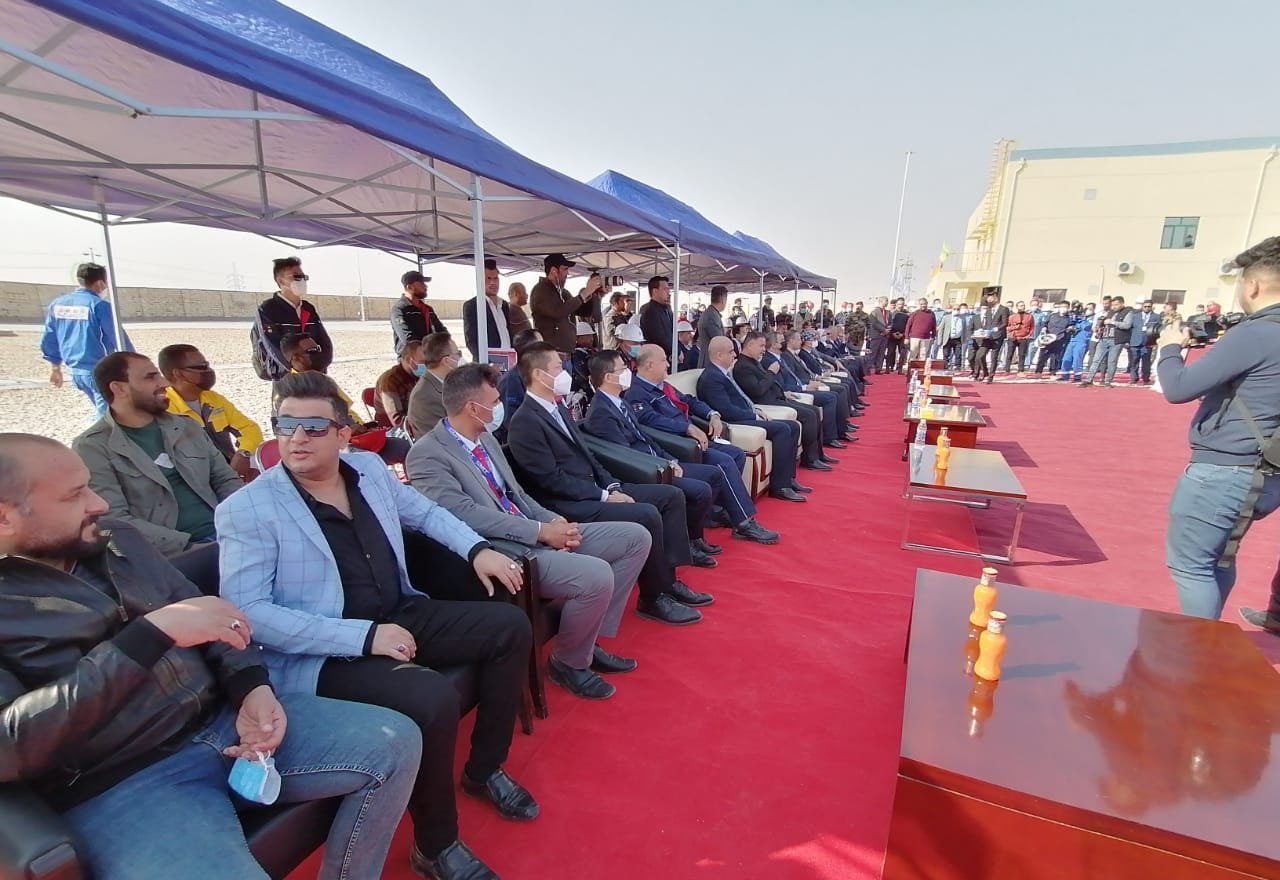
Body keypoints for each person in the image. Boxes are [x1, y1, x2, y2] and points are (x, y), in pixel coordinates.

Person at [0, 434, 421, 880]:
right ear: (5, 517)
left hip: (225, 724)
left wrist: (251, 688)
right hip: (124, 782)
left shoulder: (117, 539)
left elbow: (213, 618)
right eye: (74, 495)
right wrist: (148, 637)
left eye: (89, 485)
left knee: (395, 741)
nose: (99, 503)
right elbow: (9, 747)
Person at [216, 371, 535, 880]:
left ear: (344, 434)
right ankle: (436, 845)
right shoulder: (247, 509)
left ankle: (483, 769)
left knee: (510, 628)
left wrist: (477, 549)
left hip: (399, 612)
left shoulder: (367, 469)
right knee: (431, 698)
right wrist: (363, 637)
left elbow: (425, 513)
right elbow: (248, 612)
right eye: (285, 425)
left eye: (313, 427)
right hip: (324, 650)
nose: (296, 438)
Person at [405, 363, 651, 700]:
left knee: (635, 538)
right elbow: (464, 515)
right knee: (596, 575)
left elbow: (517, 496)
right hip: (503, 552)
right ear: (472, 408)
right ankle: (569, 663)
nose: (499, 408)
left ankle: (585, 638)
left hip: (533, 531)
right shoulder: (426, 455)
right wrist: (539, 532)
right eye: (494, 402)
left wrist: (554, 522)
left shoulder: (485, 439)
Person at [505, 342, 711, 625]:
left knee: (670, 496)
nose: (565, 372)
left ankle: (668, 579)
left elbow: (589, 457)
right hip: (570, 503)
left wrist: (612, 486)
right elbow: (551, 480)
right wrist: (603, 496)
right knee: (646, 514)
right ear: (540, 375)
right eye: (558, 367)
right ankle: (652, 597)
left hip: (596, 489)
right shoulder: (525, 421)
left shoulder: (557, 408)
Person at [1156, 237, 1280, 624]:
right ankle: (1208, 642)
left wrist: (1170, 348)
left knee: (1191, 566)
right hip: (1266, 470)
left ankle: (1197, 649)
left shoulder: (1256, 333)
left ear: (1252, 286)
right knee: (1220, 558)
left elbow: (1178, 388)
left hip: (1225, 470)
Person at [73, 352, 243, 556]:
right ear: (119, 388)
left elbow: (225, 480)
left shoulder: (186, 426)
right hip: (169, 556)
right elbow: (114, 521)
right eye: (151, 377)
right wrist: (191, 548)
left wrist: (242, 521)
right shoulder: (93, 447)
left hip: (228, 534)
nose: (165, 383)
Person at [582, 351, 724, 567]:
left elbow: (645, 438)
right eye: (623, 369)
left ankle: (695, 536)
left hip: (657, 462)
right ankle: (686, 546)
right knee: (699, 490)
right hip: (645, 472)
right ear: (609, 377)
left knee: (713, 474)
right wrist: (663, 466)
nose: (628, 373)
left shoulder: (619, 402)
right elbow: (624, 457)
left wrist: (670, 460)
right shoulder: (601, 411)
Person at [625, 344, 780, 542]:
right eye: (664, 360)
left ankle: (716, 511)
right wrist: (687, 428)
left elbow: (689, 400)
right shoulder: (637, 392)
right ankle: (743, 522)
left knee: (736, 454)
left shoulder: (663, 385)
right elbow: (650, 421)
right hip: (675, 444)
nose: (668, 364)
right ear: (649, 365)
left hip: (692, 437)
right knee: (723, 462)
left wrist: (712, 414)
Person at [696, 337, 807, 502]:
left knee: (793, 426)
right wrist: (753, 415)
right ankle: (780, 486)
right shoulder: (712, 377)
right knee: (783, 429)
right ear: (719, 355)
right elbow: (727, 411)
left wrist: (756, 410)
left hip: (743, 414)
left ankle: (788, 478)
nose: (735, 355)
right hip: (732, 421)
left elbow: (740, 399)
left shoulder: (722, 373)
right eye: (731, 352)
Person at [280, 335, 413, 466]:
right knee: (368, 461)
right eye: (313, 351)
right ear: (296, 358)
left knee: (410, 449)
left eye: (318, 348)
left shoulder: (323, 380)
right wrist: (343, 430)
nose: (320, 354)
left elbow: (345, 412)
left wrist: (361, 428)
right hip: (338, 445)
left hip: (360, 436)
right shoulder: (292, 391)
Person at [158, 344, 262, 481]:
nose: (209, 371)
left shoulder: (213, 399)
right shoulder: (164, 408)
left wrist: (244, 453)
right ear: (179, 374)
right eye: (202, 367)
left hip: (228, 472)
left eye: (207, 365)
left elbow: (250, 429)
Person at [40, 262, 131, 417]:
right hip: (98, 371)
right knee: (109, 417)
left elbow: (50, 338)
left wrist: (55, 368)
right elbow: (119, 338)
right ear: (100, 283)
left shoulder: (58, 305)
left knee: (105, 412)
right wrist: (134, 366)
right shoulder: (99, 305)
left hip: (75, 372)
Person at [733, 331, 832, 471]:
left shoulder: (753, 361)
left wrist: (783, 392)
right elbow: (758, 390)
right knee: (809, 415)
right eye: (761, 346)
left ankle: (817, 455)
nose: (763, 349)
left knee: (814, 411)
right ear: (750, 345)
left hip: (776, 397)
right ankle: (810, 458)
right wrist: (771, 372)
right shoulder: (743, 366)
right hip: (767, 402)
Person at [253, 257, 332, 380]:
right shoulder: (268, 309)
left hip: (316, 374)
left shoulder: (308, 308)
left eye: (304, 277)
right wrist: (296, 372)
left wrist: (321, 366)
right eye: (296, 277)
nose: (302, 281)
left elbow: (324, 341)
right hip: (286, 377)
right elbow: (272, 346)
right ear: (281, 280)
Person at [530, 254, 600, 352]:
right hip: (550, 352)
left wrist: (591, 293)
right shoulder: (541, 290)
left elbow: (583, 312)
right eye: (565, 269)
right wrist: (584, 294)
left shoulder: (563, 292)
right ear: (554, 270)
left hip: (564, 353)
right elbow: (557, 311)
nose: (568, 273)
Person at [405, 332, 460, 439]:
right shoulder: (424, 397)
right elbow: (443, 438)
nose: (459, 358)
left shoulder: (444, 383)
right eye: (458, 354)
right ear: (447, 361)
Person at [462, 259, 513, 361]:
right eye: (488, 279)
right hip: (487, 364)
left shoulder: (504, 305)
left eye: (495, 278)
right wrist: (487, 363)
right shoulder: (472, 306)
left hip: (508, 361)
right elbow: (471, 341)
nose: (492, 283)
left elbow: (508, 332)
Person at [1082, 296, 1134, 388]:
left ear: (1122, 304)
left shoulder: (1128, 312)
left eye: (1116, 305)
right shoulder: (1110, 312)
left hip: (1116, 340)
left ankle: (1108, 381)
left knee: (1112, 361)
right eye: (1113, 305)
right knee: (1096, 360)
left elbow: (1127, 325)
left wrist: (1113, 322)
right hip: (1104, 338)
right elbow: (1104, 323)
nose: (1114, 307)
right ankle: (1089, 380)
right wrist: (1099, 327)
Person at [391, 270, 446, 355]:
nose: (425, 286)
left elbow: (441, 330)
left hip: (429, 355)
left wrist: (447, 346)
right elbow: (408, 338)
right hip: (411, 359)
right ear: (409, 287)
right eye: (421, 283)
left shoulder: (428, 309)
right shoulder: (399, 309)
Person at [373, 339, 425, 431]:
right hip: (391, 430)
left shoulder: (418, 376)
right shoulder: (389, 381)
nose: (427, 366)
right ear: (409, 360)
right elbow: (397, 420)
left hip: (417, 423)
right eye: (423, 362)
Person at [638, 275, 675, 356]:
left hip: (669, 355)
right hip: (656, 356)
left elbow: (673, 332)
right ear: (655, 291)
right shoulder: (650, 312)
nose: (668, 292)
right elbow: (660, 339)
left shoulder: (667, 309)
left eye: (668, 289)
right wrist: (676, 352)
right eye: (665, 289)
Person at [1033, 302, 1073, 377]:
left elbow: (1070, 328)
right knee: (1043, 355)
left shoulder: (1069, 318)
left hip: (1059, 339)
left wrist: (1069, 329)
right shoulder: (1052, 316)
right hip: (1048, 338)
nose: (1063, 309)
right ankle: (1038, 371)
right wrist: (1044, 328)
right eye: (1062, 307)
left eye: (1065, 307)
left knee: (1055, 357)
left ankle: (1053, 372)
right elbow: (1045, 324)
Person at [1129, 301, 1163, 385]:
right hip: (1135, 341)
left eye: (1149, 306)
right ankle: (1133, 378)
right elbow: (1130, 328)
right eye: (1145, 306)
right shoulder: (1135, 316)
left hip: (1148, 342)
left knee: (1146, 362)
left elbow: (1159, 329)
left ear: (1151, 307)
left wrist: (1154, 341)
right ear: (1142, 307)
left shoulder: (1156, 317)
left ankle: (1146, 379)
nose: (1147, 308)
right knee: (1134, 361)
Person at [1058, 304, 1094, 382]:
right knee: (1066, 358)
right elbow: (1070, 325)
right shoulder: (1074, 319)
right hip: (1073, 339)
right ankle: (1065, 375)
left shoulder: (1090, 319)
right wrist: (1071, 325)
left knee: (1077, 358)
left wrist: (1081, 319)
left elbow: (1087, 327)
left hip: (1082, 340)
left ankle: (1077, 376)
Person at [938, 302, 974, 371]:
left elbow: (965, 329)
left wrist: (965, 339)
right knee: (946, 354)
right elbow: (941, 329)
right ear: (952, 309)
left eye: (958, 309)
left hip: (958, 339)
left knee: (958, 354)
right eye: (955, 309)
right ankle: (945, 366)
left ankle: (958, 367)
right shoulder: (946, 317)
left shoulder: (962, 318)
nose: (956, 310)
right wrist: (940, 340)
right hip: (948, 339)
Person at [1002, 302, 1035, 374]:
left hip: (1023, 338)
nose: (1022, 307)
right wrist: (1013, 328)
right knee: (1009, 354)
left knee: (1022, 355)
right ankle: (1007, 370)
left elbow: (1032, 327)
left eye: (1023, 305)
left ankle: (1020, 370)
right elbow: (1007, 327)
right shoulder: (1012, 317)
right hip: (1013, 337)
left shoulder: (1029, 316)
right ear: (1017, 307)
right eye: (1020, 306)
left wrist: (1028, 335)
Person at [697, 285, 729, 358]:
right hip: (710, 359)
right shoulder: (712, 316)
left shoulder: (711, 313)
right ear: (723, 300)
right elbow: (719, 341)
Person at [886, 298, 909, 372]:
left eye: (902, 304)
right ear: (896, 304)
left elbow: (908, 325)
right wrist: (892, 333)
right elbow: (888, 324)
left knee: (902, 353)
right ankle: (889, 367)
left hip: (902, 336)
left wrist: (903, 334)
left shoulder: (907, 314)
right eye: (899, 304)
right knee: (890, 352)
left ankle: (900, 368)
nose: (901, 306)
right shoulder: (891, 313)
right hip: (892, 335)